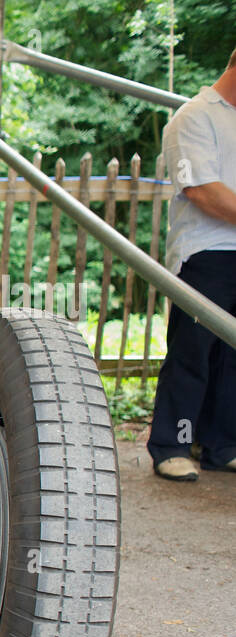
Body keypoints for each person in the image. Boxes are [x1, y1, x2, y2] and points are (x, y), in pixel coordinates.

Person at [148, 46, 236, 481]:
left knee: (234, 355)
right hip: (205, 251)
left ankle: (223, 444)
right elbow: (203, 190)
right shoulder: (193, 117)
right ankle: (172, 443)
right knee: (193, 352)